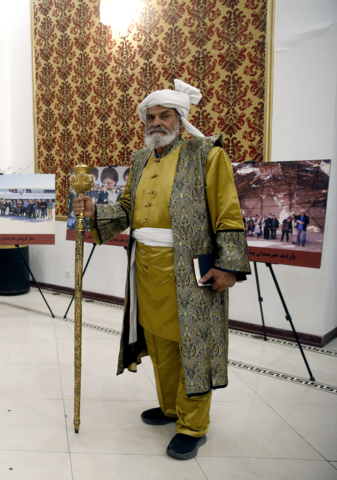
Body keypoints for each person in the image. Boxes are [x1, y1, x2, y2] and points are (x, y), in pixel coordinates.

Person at [73, 79, 250, 460]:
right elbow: (124, 211)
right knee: (159, 342)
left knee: (192, 347)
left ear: (180, 120)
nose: (156, 122)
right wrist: (93, 212)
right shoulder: (138, 160)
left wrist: (229, 266)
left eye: (164, 116)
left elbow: (227, 211)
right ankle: (171, 409)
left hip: (192, 270)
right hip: (146, 270)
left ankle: (193, 425)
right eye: (150, 117)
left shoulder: (206, 154)